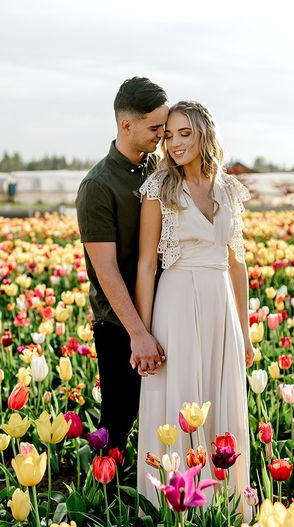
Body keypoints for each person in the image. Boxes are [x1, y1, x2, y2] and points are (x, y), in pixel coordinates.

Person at [134, 100, 255, 518]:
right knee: (181, 398)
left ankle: (223, 510)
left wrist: (246, 330)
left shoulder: (229, 189)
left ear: (205, 133)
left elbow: (237, 262)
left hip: (221, 304)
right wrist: (143, 333)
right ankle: (172, 513)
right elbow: (147, 264)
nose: (176, 143)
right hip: (177, 303)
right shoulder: (159, 188)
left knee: (220, 399)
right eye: (169, 136)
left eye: (184, 133)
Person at [76, 77, 169, 456]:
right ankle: (103, 504)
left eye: (165, 126)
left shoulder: (158, 168)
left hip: (163, 308)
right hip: (119, 322)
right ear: (126, 125)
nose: (162, 135)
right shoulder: (98, 186)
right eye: (155, 127)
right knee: (119, 419)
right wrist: (138, 334)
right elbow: (106, 270)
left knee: (162, 411)